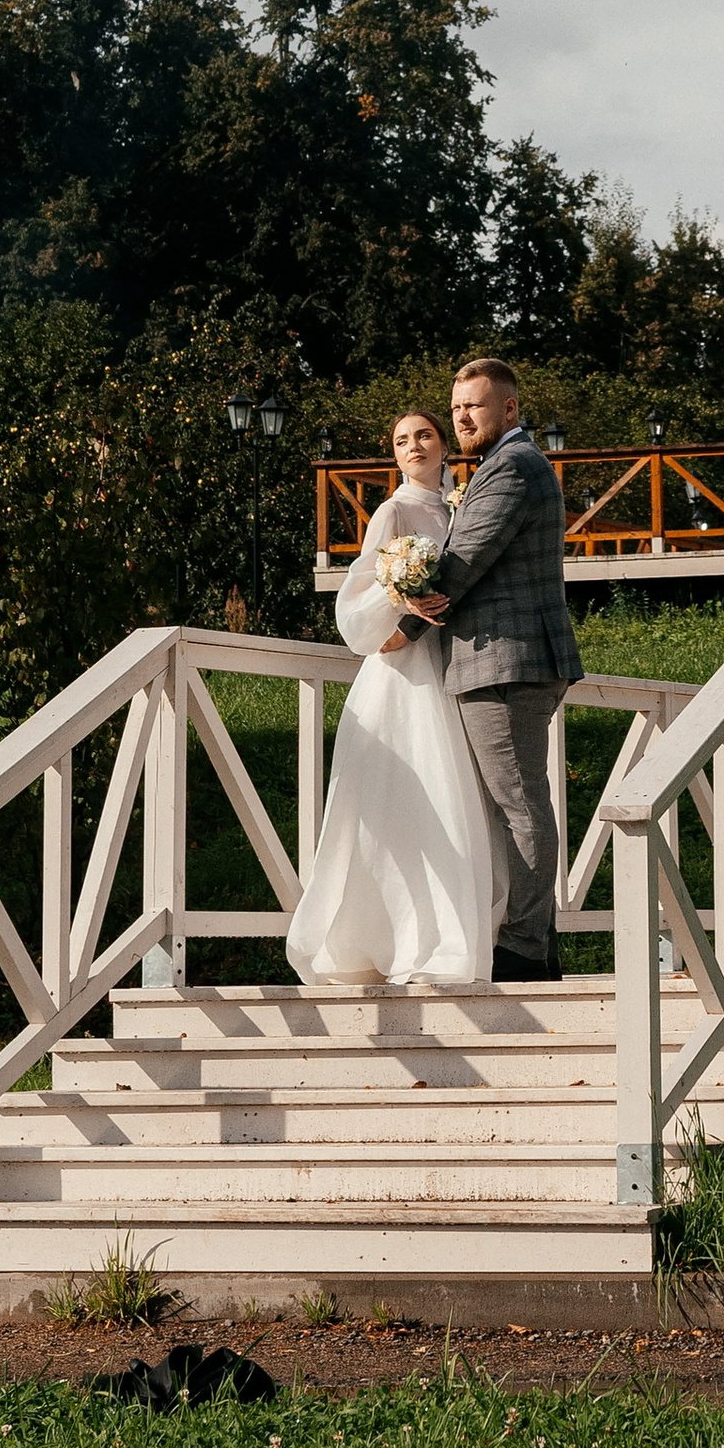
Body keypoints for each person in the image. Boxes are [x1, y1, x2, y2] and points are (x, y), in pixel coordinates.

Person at [285, 407, 499, 991]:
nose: (414, 446)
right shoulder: (394, 510)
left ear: (444, 446)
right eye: (402, 440)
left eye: (424, 435)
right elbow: (359, 597)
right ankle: (391, 936)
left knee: (453, 793)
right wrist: (404, 605)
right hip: (404, 669)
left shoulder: (464, 506)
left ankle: (449, 933)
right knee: (406, 795)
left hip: (455, 662)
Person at [396, 354, 583, 983]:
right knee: (513, 803)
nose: (462, 416)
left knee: (518, 804)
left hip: (505, 658)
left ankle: (526, 947)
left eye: (473, 406)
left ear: (508, 408)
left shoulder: (513, 467)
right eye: (455, 408)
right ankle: (534, 943)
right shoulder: (501, 466)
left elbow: (460, 565)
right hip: (502, 658)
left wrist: (394, 631)